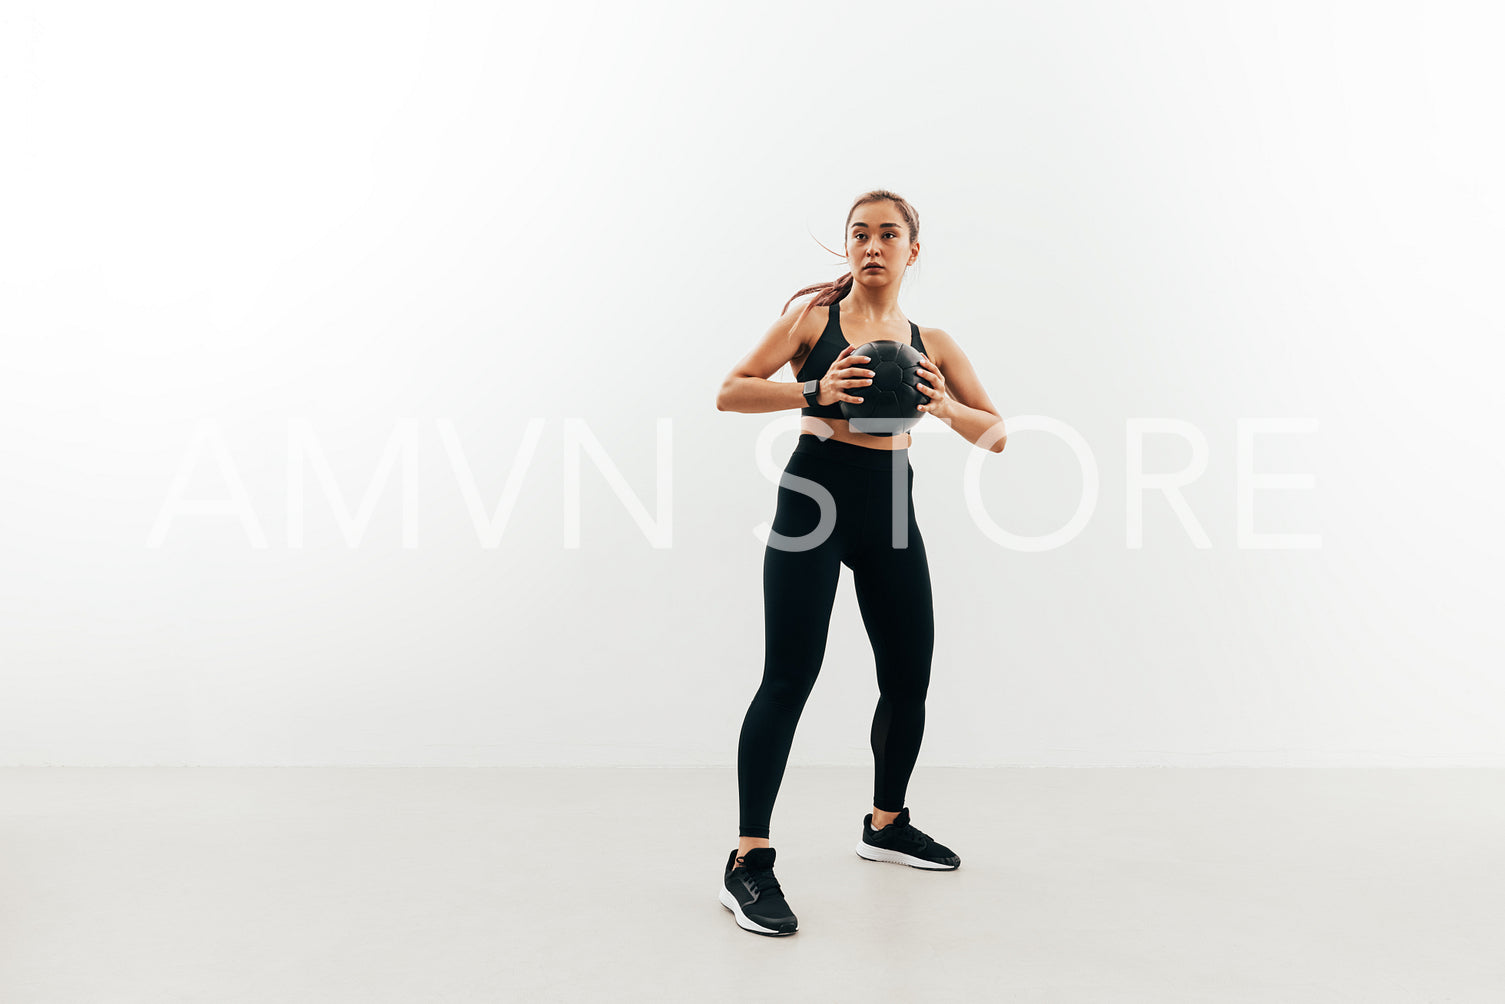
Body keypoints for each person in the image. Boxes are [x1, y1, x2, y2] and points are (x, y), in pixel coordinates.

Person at [713, 189, 1008, 936]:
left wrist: (941, 408)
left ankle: (884, 824)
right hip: (814, 497)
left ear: (913, 250)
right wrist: (810, 388)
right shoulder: (811, 323)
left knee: (908, 677)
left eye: (887, 234)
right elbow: (730, 391)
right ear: (847, 249)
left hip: (890, 510)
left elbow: (996, 432)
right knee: (788, 678)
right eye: (859, 234)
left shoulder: (932, 342)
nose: (872, 246)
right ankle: (748, 860)